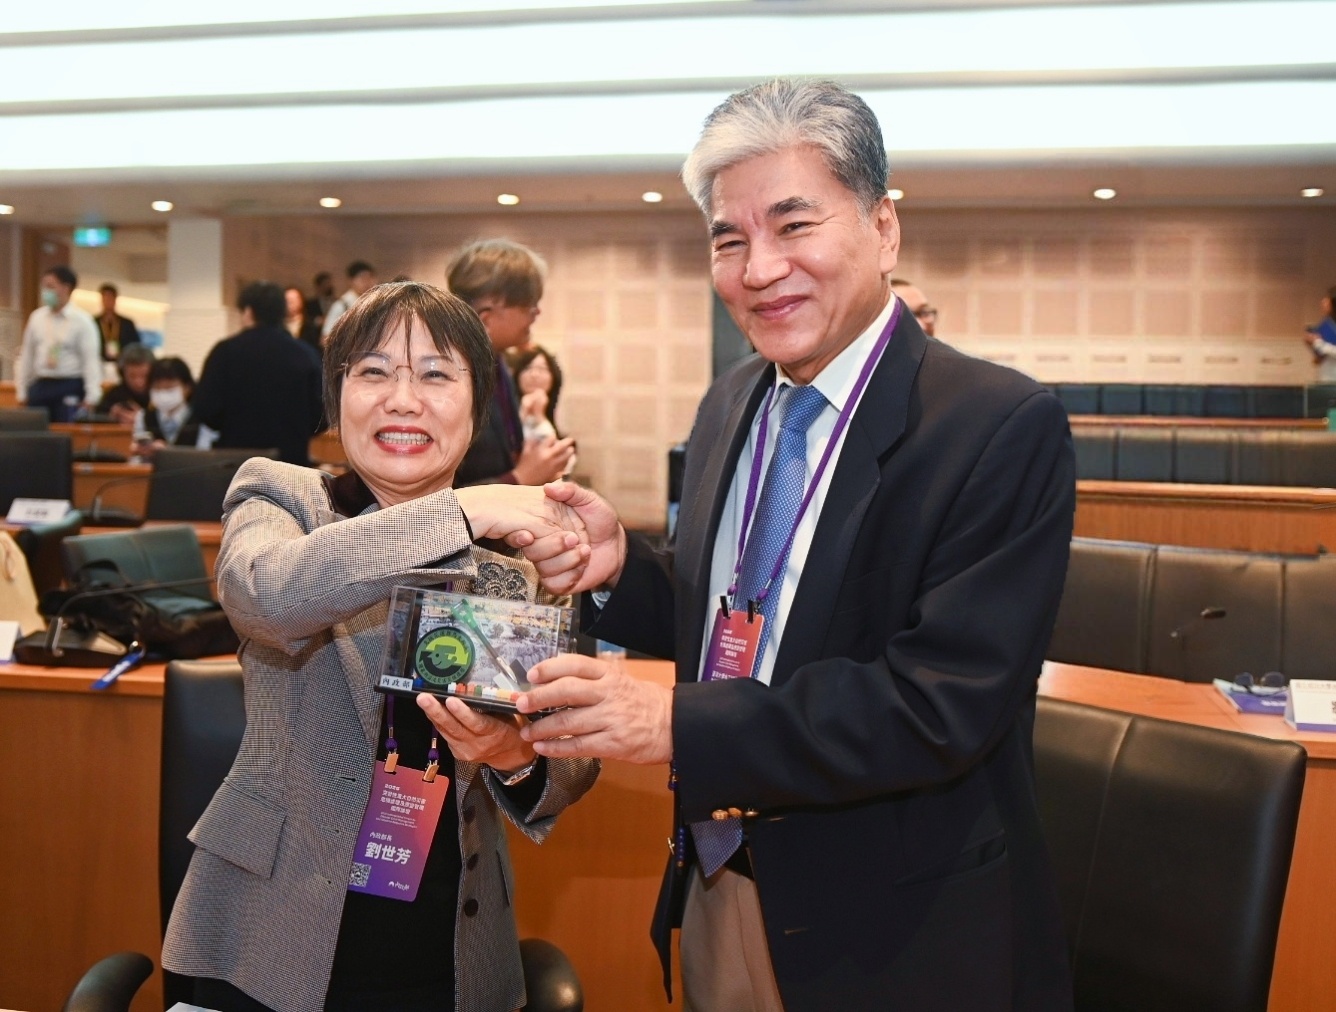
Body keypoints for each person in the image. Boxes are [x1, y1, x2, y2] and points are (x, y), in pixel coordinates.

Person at [515, 79, 1076, 1012]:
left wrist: (676, 725)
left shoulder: (998, 424)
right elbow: (745, 607)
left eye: (793, 224)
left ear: (883, 228)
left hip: (889, 929)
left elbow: (937, 703)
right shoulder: (732, 399)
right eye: (728, 239)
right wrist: (623, 573)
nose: (759, 268)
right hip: (720, 880)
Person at [161, 281, 599, 1012]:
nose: (402, 400)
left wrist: (512, 753)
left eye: (435, 374)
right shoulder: (281, 499)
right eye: (373, 372)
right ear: (337, 401)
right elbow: (265, 595)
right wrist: (457, 511)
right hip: (268, 936)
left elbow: (574, 758)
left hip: (450, 944)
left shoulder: (516, 562)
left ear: (477, 405)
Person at [445, 240, 575, 486]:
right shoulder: (449, 380)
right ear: (486, 319)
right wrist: (520, 478)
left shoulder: (498, 363)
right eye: (527, 306)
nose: (536, 313)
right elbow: (432, 498)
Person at [192, 281, 325, 465]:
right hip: (290, 462)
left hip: (236, 461)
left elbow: (205, 408)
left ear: (248, 311)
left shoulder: (225, 352)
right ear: (282, 312)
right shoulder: (305, 354)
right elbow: (321, 415)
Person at [14, 265, 103, 422]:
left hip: (70, 384)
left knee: (65, 431)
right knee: (35, 430)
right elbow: (27, 356)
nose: (45, 292)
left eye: (50, 286)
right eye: (44, 287)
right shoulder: (37, 318)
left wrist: (92, 397)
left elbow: (90, 361)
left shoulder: (83, 321)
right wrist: (21, 391)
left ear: (66, 288)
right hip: (41, 384)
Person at [130, 356, 213, 456]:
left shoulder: (201, 417)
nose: (163, 393)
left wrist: (168, 451)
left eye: (169, 387)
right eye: (157, 388)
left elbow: (204, 453)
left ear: (187, 388)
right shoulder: (144, 416)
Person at [95, 342, 155, 424]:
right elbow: (96, 416)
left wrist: (143, 418)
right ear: (122, 373)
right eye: (132, 376)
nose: (138, 382)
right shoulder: (115, 394)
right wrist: (110, 415)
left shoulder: (160, 393)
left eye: (144, 376)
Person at [321, 260, 377, 341]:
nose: (367, 282)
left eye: (369, 278)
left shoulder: (375, 302)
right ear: (350, 281)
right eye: (362, 278)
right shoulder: (341, 305)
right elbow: (325, 338)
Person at [94, 282, 142, 361]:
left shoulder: (127, 324)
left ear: (115, 299)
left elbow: (135, 346)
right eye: (105, 298)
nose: (107, 301)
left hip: (122, 362)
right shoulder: (94, 322)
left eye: (110, 298)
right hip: (99, 362)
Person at [1303, 285, 1336, 381]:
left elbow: (1326, 348)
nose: (1323, 302)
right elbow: (1321, 357)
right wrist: (1312, 345)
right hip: (1327, 379)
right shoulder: (1326, 324)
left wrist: (1317, 343)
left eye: (1327, 300)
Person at [285, 284, 324, 360]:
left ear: (301, 301)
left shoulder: (311, 327)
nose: (291, 302)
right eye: (287, 300)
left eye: (294, 299)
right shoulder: (277, 327)